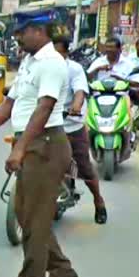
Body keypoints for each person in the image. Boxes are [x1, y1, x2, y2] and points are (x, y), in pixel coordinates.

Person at [0, 11, 78, 277]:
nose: (17, 36)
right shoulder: (30, 62)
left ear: (39, 31)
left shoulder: (52, 64)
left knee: (36, 216)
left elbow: (44, 109)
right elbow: (9, 103)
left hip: (46, 143)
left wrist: (20, 147)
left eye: (22, 31)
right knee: (25, 212)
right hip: (33, 142)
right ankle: (62, 271)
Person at [54, 37, 107, 223]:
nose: (53, 56)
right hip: (47, 125)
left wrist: (76, 106)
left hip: (71, 125)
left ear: (66, 53)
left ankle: (98, 201)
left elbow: (80, 92)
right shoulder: (41, 66)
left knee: (84, 167)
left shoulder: (74, 69)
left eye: (57, 52)